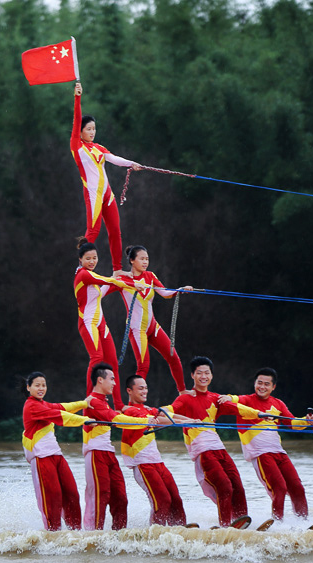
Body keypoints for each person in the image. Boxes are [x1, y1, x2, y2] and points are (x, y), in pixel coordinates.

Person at [161, 356, 263, 527]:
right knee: (224, 487)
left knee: (238, 486)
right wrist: (186, 420)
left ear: (211, 376)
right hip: (203, 451)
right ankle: (225, 527)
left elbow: (240, 410)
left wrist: (260, 414)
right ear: (192, 375)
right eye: (199, 373)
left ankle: (242, 525)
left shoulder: (216, 398)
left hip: (219, 449)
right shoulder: (185, 399)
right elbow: (164, 413)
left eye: (207, 373)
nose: (203, 376)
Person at [219, 368, 313, 520]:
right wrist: (227, 397)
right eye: (259, 383)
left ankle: (303, 523)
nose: (262, 387)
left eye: (266, 384)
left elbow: (292, 423)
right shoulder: (247, 400)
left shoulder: (278, 403)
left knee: (298, 488)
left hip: (279, 452)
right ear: (255, 383)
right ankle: (278, 523)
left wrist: (306, 421)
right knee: (280, 488)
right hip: (261, 454)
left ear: (273, 387)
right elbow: (235, 399)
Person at [72, 82, 141, 276]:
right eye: (88, 129)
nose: (92, 132)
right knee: (92, 232)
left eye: (94, 129)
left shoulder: (98, 147)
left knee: (115, 231)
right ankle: (82, 267)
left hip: (107, 194)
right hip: (93, 194)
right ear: (80, 131)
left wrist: (131, 163)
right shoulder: (77, 147)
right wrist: (77, 98)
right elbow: (77, 120)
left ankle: (117, 270)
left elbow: (114, 159)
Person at [107, 245, 192, 396]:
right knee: (143, 366)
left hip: (152, 326)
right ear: (132, 261)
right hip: (136, 329)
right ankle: (134, 403)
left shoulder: (150, 276)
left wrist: (180, 290)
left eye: (147, 259)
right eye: (142, 259)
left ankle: (182, 392)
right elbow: (104, 289)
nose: (145, 262)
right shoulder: (123, 279)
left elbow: (165, 293)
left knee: (173, 356)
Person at [82, 362, 154, 530]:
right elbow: (117, 420)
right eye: (112, 379)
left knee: (120, 498)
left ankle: (119, 537)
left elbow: (117, 416)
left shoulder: (104, 402)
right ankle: (94, 538)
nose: (115, 383)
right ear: (100, 380)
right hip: (95, 454)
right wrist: (144, 421)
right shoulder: (93, 401)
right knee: (101, 496)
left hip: (108, 453)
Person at [120, 375, 197, 526]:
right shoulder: (130, 412)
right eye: (140, 388)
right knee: (162, 500)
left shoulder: (148, 409)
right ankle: (156, 535)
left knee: (175, 498)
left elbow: (166, 415)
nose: (145, 391)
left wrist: (190, 420)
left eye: (146, 388)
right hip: (143, 465)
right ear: (130, 391)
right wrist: (185, 422)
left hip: (157, 463)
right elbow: (161, 420)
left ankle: (181, 530)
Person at [74, 239, 147, 399]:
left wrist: (129, 281)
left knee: (112, 362)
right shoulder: (83, 275)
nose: (92, 261)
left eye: (94, 258)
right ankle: (90, 399)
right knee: (97, 358)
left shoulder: (90, 275)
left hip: (100, 323)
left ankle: (119, 404)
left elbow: (112, 283)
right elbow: (108, 280)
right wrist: (128, 282)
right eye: (88, 258)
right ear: (80, 260)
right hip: (88, 323)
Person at [21, 371, 89, 531]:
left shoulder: (43, 404)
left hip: (56, 455)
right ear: (28, 388)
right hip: (41, 458)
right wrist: (86, 420)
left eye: (43, 385)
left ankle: (75, 532)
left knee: (72, 494)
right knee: (53, 498)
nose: (41, 388)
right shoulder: (31, 406)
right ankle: (53, 535)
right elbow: (59, 416)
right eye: (37, 385)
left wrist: (84, 404)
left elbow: (62, 407)